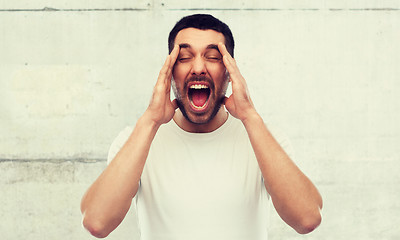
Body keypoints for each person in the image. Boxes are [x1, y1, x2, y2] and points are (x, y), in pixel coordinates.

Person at [80, 14, 323, 239]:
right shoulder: (136, 140)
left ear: (230, 71)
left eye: (214, 57)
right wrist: (151, 120)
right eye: (184, 58)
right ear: (170, 71)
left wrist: (249, 115)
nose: (198, 68)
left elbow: (307, 219)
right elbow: (97, 222)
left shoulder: (264, 139)